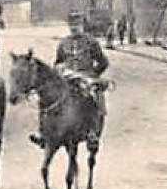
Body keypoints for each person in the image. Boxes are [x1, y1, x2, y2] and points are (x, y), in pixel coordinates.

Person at [32, 13, 110, 146]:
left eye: (77, 25)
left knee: (91, 98)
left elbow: (103, 62)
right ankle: (44, 133)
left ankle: (92, 131)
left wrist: (92, 75)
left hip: (85, 78)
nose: (74, 28)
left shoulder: (92, 42)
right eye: (72, 25)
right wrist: (59, 69)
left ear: (82, 25)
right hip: (67, 78)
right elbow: (58, 62)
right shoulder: (64, 43)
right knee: (47, 98)